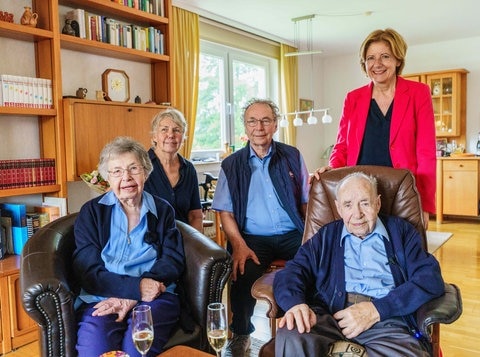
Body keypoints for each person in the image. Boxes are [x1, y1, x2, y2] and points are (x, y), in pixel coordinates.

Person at [274, 172, 444, 357]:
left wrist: (378, 309)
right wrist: (295, 303)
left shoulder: (401, 232)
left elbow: (430, 278)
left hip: (386, 320)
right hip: (330, 316)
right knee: (291, 333)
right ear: (339, 208)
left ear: (377, 203)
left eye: (365, 203)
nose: (357, 214)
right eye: (348, 205)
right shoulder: (326, 236)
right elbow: (294, 270)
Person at [212, 98, 310, 357]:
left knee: (316, 265)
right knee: (242, 274)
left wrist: (312, 237)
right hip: (252, 238)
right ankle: (242, 333)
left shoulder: (292, 155)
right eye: (252, 121)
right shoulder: (231, 165)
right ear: (245, 127)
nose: (259, 127)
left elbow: (306, 203)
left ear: (275, 124)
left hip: (293, 233)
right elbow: (225, 212)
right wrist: (239, 245)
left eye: (266, 120)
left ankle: (309, 324)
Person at [73, 136, 185, 357]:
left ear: (145, 172)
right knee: (95, 349)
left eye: (133, 169)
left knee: (136, 348)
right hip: (102, 297)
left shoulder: (162, 210)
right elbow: (87, 270)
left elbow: (172, 260)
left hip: (155, 298)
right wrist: (134, 289)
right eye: (116, 171)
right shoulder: (92, 213)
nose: (126, 177)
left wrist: (139, 293)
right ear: (107, 177)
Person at [315, 28, 436, 228]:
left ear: (398, 60)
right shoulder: (353, 98)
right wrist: (332, 167)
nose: (377, 64)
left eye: (385, 56)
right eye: (370, 58)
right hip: (361, 191)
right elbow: (342, 145)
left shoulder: (418, 93)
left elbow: (426, 153)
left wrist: (425, 205)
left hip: (402, 190)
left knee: (400, 251)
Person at [144, 108, 203, 232]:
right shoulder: (140, 165)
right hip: (149, 244)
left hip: (183, 241)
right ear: (154, 136)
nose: (171, 135)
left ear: (183, 137)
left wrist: (196, 247)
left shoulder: (189, 169)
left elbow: (195, 216)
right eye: (164, 129)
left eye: (176, 130)